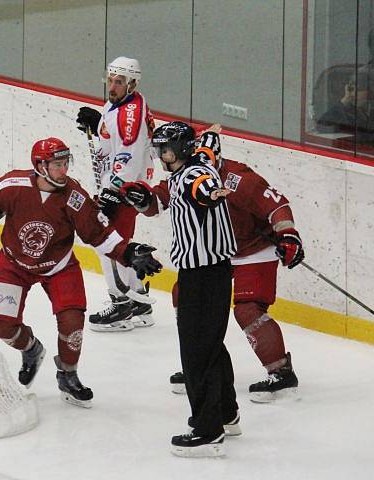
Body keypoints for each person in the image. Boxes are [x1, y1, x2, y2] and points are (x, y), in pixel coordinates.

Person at [0, 137, 162, 408]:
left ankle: (68, 374)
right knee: (2, 325)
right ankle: (31, 350)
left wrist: (127, 253)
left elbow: (97, 234)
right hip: (14, 264)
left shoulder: (74, 197)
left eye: (66, 163)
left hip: (59, 267)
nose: (63, 170)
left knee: (72, 324)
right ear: (40, 166)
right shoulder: (11, 186)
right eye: (57, 164)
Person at [114, 122, 238, 457]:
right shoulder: (183, 171)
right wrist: (144, 198)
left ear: (182, 149)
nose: (161, 155)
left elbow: (203, 187)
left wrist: (212, 195)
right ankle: (227, 413)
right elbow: (164, 199)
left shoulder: (197, 174)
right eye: (159, 149)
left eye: (165, 149)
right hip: (203, 274)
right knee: (210, 346)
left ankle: (208, 431)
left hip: (205, 275)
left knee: (197, 352)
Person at [155, 126, 303, 403]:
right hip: (215, 254)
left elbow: (276, 206)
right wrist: (134, 195)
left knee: (248, 309)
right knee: (185, 297)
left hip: (253, 251)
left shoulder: (240, 179)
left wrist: (288, 236)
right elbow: (156, 201)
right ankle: (200, 364)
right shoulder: (182, 174)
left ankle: (281, 374)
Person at [75, 56, 157, 331]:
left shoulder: (129, 113)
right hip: (124, 183)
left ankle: (121, 305)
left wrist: (112, 191)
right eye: (110, 79)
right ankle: (140, 303)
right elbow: (113, 142)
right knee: (122, 241)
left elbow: (128, 156)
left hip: (126, 187)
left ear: (132, 83)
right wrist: (99, 124)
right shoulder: (121, 103)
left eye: (118, 81)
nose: (112, 85)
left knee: (107, 242)